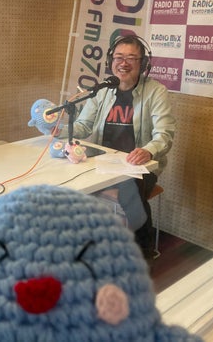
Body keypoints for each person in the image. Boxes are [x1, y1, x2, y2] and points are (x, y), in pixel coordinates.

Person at [57, 35, 175, 259]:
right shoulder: (103, 90)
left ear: (143, 63)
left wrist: (148, 150)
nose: (124, 63)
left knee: (131, 192)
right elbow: (83, 125)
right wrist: (57, 129)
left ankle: (143, 251)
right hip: (103, 161)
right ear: (110, 61)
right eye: (119, 57)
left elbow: (164, 134)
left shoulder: (156, 91)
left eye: (131, 58)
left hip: (138, 165)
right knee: (69, 183)